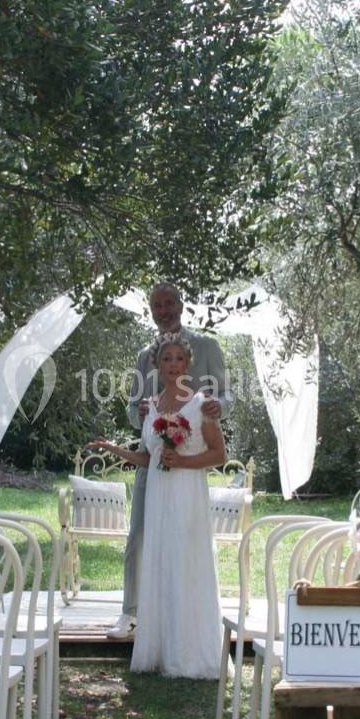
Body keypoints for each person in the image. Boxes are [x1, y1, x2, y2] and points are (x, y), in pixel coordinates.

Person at [88, 332, 226, 678]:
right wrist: (112, 448)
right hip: (158, 496)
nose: (173, 365)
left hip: (187, 493)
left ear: (188, 363)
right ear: (157, 365)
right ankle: (162, 649)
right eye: (167, 359)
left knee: (186, 563)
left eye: (179, 358)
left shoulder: (201, 404)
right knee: (161, 561)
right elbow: (147, 457)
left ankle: (189, 653)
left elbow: (219, 455)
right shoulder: (150, 406)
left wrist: (182, 463)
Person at [107, 283, 231, 639]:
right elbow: (132, 408)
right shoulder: (144, 355)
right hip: (155, 461)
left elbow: (226, 393)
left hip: (190, 463)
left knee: (187, 538)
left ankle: (184, 616)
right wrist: (142, 413)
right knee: (140, 536)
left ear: (180, 305)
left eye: (168, 303)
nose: (163, 310)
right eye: (156, 305)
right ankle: (131, 613)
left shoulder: (206, 347)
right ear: (151, 310)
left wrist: (219, 406)